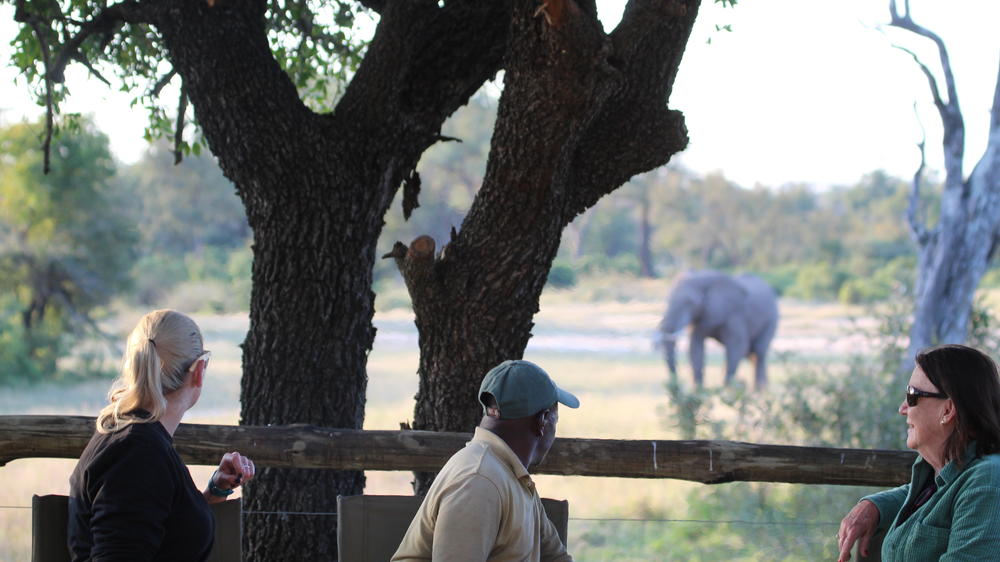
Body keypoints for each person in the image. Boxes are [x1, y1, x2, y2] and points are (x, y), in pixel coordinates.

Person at [68, 309, 256, 561]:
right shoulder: (137, 454)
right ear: (199, 370)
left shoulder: (132, 438)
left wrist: (214, 492)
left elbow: (157, 528)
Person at [392, 359, 578, 561]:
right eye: (555, 419)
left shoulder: (512, 475)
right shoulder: (478, 481)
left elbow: (555, 557)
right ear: (542, 421)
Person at [837, 344, 1000, 561]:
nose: (902, 408)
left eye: (912, 396)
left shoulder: (987, 481)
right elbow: (939, 496)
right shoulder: (942, 472)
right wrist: (874, 506)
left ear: (948, 410)